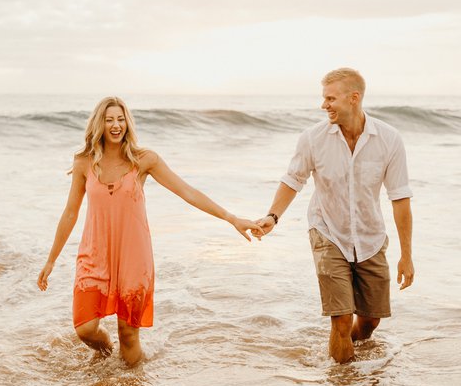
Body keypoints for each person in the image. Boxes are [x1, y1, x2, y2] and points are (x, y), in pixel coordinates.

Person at [37, 96, 258, 366]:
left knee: (128, 335)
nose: (116, 125)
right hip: (95, 254)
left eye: (121, 119)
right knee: (84, 328)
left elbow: (186, 191)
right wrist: (51, 260)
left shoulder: (143, 161)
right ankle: (105, 353)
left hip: (133, 257)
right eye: (109, 120)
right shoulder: (85, 162)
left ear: (127, 123)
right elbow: (70, 212)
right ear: (99, 125)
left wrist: (231, 217)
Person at [254, 68, 414, 363]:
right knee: (341, 320)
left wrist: (406, 255)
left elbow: (400, 197)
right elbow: (293, 180)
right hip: (327, 231)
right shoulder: (313, 139)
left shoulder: (389, 139)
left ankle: (343, 358)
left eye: (330, 98)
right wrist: (273, 216)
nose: (324, 105)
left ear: (354, 98)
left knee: (369, 322)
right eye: (323, 98)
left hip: (370, 237)